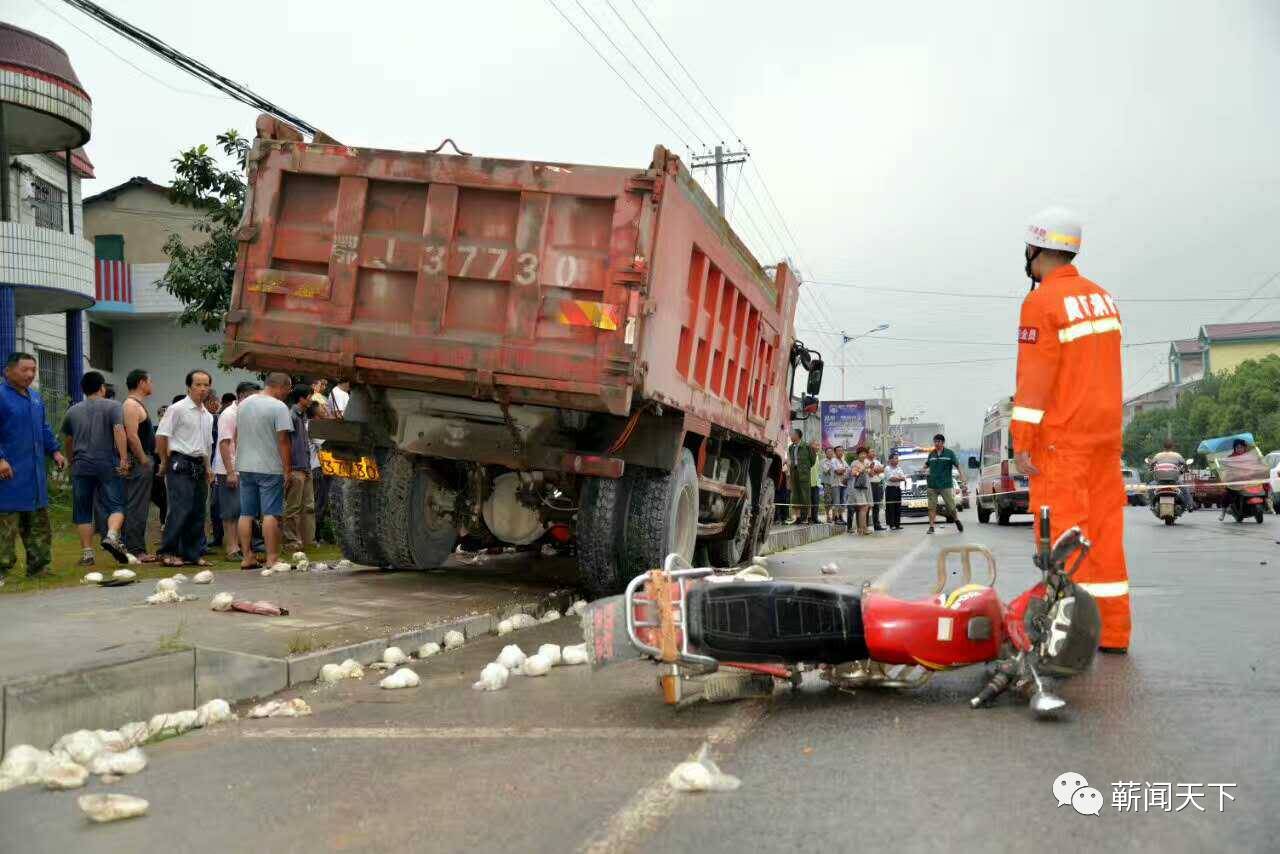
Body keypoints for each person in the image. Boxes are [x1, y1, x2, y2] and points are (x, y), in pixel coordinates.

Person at [1012, 206, 1129, 653]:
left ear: (1036, 248)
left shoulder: (1040, 301)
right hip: (1105, 438)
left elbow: (1035, 379)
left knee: (1062, 542)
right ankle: (1114, 633)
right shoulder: (1103, 298)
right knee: (1104, 540)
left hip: (1063, 442)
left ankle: (1064, 640)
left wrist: (1023, 441)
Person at [0, 353, 67, 584]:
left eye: (33, 370)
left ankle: (39, 567)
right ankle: (2, 571)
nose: (30, 374)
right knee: (5, 527)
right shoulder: (1, 396)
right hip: (8, 474)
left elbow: (44, 428)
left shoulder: (35, 398)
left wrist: (56, 451)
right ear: (8, 371)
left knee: (39, 524)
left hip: (35, 474)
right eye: (24, 369)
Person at [61, 371, 130, 565]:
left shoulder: (72, 411)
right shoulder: (114, 406)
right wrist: (124, 458)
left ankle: (87, 554)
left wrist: (71, 459)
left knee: (83, 510)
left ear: (83, 389)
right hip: (107, 463)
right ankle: (111, 535)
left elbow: (68, 439)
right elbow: (118, 430)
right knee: (116, 505)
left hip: (81, 465)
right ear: (102, 388)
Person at [156, 371, 215, 568]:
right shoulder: (177, 409)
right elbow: (162, 435)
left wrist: (208, 468)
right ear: (189, 387)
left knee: (198, 511)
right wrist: (164, 461)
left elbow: (207, 445)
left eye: (206, 385)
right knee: (179, 508)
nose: (202, 389)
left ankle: (192, 552)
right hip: (179, 461)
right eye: (198, 384)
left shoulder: (207, 415)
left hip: (199, 463)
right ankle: (167, 551)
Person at [235, 373, 294, 570]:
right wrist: (287, 469)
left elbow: (237, 434)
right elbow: (283, 440)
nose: (287, 393)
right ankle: (272, 558)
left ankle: (247, 557)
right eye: (288, 389)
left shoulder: (244, 403)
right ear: (281, 386)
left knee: (246, 513)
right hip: (269, 466)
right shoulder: (278, 407)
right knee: (270, 513)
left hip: (244, 465)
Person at [215, 382, 258, 562]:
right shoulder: (229, 414)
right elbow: (224, 444)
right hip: (228, 468)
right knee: (230, 511)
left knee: (241, 510)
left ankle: (241, 546)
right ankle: (232, 548)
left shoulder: (246, 413)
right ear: (242, 397)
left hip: (243, 467)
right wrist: (231, 472)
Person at [121, 369, 157, 562]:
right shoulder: (131, 405)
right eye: (150, 381)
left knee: (140, 505)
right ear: (142, 382)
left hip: (144, 460)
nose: (152, 385)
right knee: (137, 506)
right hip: (140, 461)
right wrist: (143, 459)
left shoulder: (136, 405)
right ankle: (135, 549)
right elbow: (132, 436)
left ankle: (135, 547)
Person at [283, 384, 316, 551]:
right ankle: (291, 541)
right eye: (309, 396)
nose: (311, 399)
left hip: (306, 466)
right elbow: (285, 443)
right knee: (293, 507)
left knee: (308, 506)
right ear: (301, 398)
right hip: (296, 467)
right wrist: (288, 469)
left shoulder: (302, 415)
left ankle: (307, 540)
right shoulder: (291, 415)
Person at [922, 433, 965, 534]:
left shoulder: (949, 453)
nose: (936, 443)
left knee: (951, 507)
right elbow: (926, 464)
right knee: (931, 507)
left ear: (943, 443)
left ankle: (956, 520)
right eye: (935, 442)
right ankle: (931, 527)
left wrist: (962, 476)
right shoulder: (932, 454)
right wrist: (922, 469)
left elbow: (958, 465)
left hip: (945, 485)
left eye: (938, 442)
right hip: (932, 485)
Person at [1148, 438, 1192, 511]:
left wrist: (1151, 469)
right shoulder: (1177, 455)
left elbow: (1151, 466)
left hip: (1159, 482)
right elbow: (1184, 465)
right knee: (1185, 489)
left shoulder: (1158, 455)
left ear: (1163, 447)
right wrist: (1186, 470)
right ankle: (1189, 505)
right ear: (1172, 447)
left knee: (1150, 488)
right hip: (1174, 482)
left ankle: (1152, 505)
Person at [787, 430, 815, 524]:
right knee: (795, 495)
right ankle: (798, 517)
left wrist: (805, 467)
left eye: (792, 434)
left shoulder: (806, 446)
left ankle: (808, 517)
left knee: (805, 495)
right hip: (794, 472)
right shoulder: (791, 447)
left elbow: (812, 460)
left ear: (798, 436)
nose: (791, 436)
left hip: (804, 473)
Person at [846, 447, 872, 535]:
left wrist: (870, 469)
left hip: (865, 487)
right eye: (861, 453)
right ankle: (863, 528)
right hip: (857, 487)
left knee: (864, 507)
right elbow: (854, 473)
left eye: (865, 453)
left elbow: (870, 474)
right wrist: (864, 468)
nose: (863, 455)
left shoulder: (866, 462)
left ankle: (861, 528)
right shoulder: (855, 463)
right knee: (863, 507)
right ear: (858, 455)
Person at [820, 447, 845, 525]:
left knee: (836, 500)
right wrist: (833, 466)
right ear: (825, 453)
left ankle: (835, 516)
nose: (830, 453)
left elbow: (844, 469)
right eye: (828, 452)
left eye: (831, 452)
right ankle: (828, 516)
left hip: (836, 483)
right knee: (828, 500)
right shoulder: (823, 461)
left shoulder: (837, 461)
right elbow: (826, 470)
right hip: (827, 483)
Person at [884, 453, 906, 530]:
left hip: (897, 488)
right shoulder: (887, 468)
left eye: (897, 458)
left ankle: (897, 524)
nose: (897, 460)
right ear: (890, 460)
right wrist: (899, 478)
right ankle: (891, 524)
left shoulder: (899, 468)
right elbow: (891, 479)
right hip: (890, 489)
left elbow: (903, 477)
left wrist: (898, 478)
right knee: (891, 507)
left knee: (898, 507)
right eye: (895, 458)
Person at [867, 448, 887, 531]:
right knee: (868, 505)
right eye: (871, 451)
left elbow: (883, 470)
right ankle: (865, 525)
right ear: (867, 453)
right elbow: (871, 473)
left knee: (876, 505)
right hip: (870, 485)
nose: (873, 453)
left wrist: (876, 470)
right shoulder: (866, 462)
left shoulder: (877, 461)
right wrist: (876, 470)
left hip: (878, 484)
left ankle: (876, 524)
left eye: (874, 451)